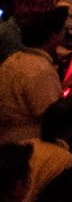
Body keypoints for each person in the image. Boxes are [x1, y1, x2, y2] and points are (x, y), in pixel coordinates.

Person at [0, 11, 62, 145]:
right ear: (53, 37)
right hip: (27, 145)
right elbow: (53, 119)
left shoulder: (13, 59)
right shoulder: (40, 68)